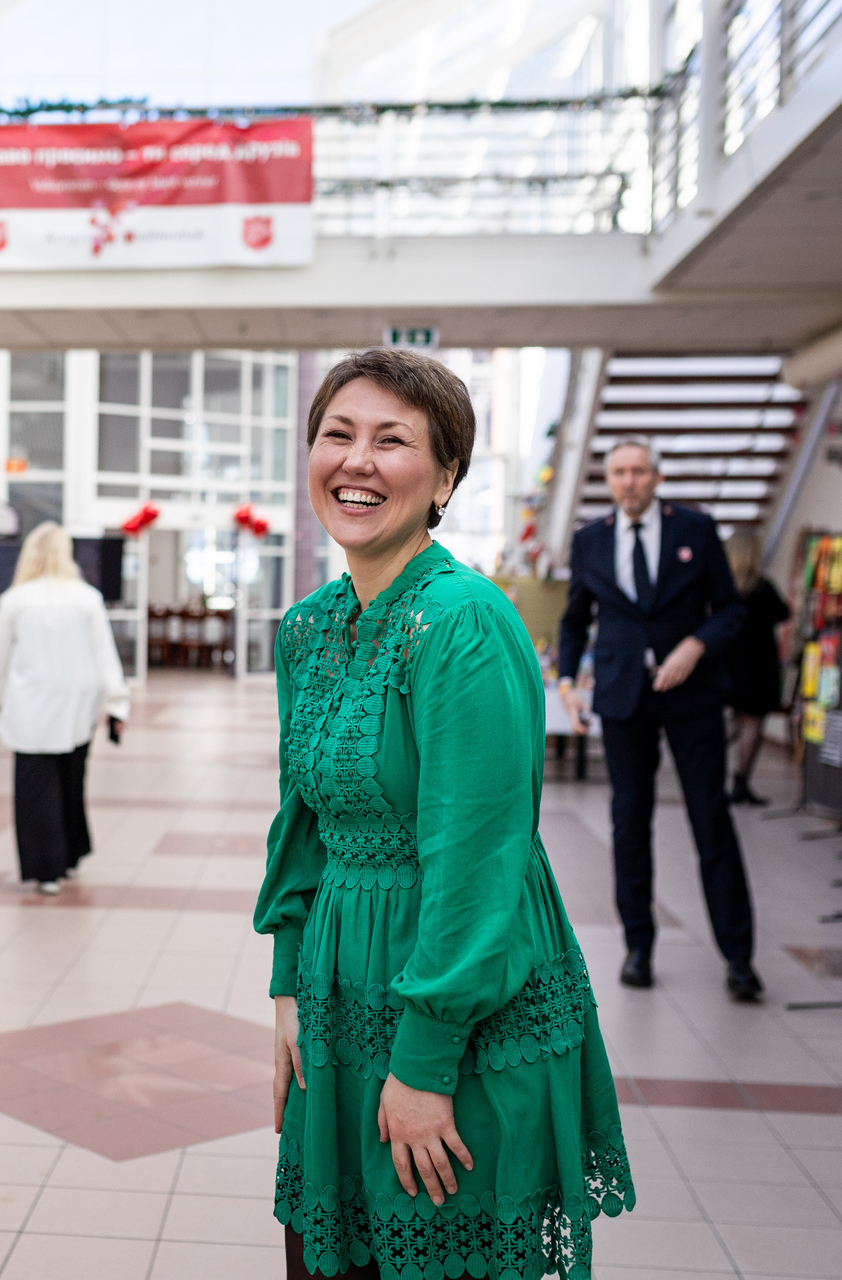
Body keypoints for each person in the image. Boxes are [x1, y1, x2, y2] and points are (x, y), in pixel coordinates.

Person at [257, 349, 634, 1280]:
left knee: (430, 1249)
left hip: (457, 1005)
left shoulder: (463, 620)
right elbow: (299, 828)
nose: (356, 462)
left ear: (445, 478)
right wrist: (288, 991)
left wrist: (424, 1062)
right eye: (337, 436)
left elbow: (477, 858)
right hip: (340, 994)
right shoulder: (309, 627)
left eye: (393, 442)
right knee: (328, 1254)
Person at [556, 437, 759, 1000]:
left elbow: (732, 610)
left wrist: (696, 645)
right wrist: (568, 682)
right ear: (609, 479)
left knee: (710, 819)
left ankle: (739, 957)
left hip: (691, 694)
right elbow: (575, 620)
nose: (630, 482)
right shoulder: (589, 540)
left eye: (639, 472)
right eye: (619, 472)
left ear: (657, 478)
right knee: (629, 822)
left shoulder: (695, 529)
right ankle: (638, 947)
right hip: (623, 698)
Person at [0, 522, 129, 895]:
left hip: (31, 704)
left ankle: (46, 868)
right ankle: (71, 855)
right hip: (78, 704)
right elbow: (103, 655)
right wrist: (116, 703)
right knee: (70, 780)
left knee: (36, 787)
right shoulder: (86, 598)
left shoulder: (15, 600)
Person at [723, 528, 792, 806]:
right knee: (752, 723)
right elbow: (784, 613)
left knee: (732, 721)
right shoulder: (763, 587)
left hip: (728, 662)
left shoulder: (723, 588)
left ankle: (706, 770)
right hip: (759, 663)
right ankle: (742, 782)